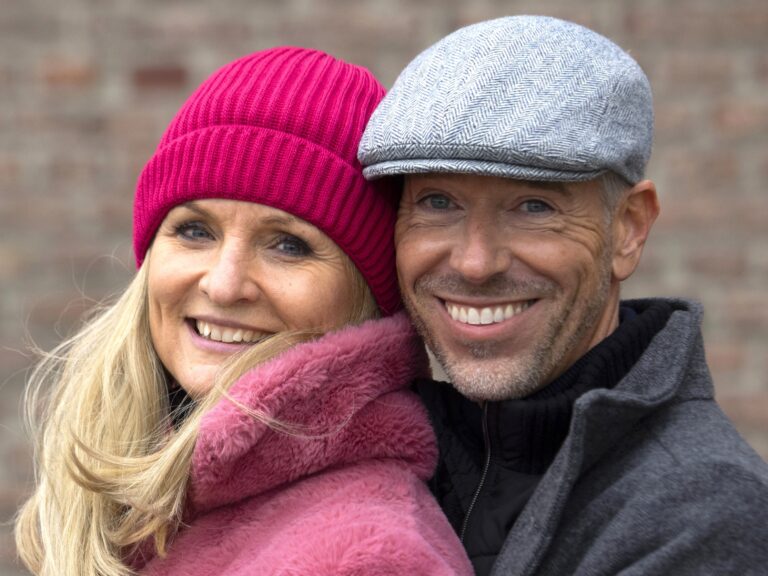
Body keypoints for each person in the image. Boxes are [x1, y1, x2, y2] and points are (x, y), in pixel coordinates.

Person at [15, 47, 473, 576]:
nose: (224, 284)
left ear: (371, 295)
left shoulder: (365, 556)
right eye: (195, 230)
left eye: (288, 245)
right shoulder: (139, 497)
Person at [358, 15, 768, 576]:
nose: (476, 263)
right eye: (437, 203)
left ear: (628, 228)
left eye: (534, 207)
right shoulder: (402, 455)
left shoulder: (704, 514)